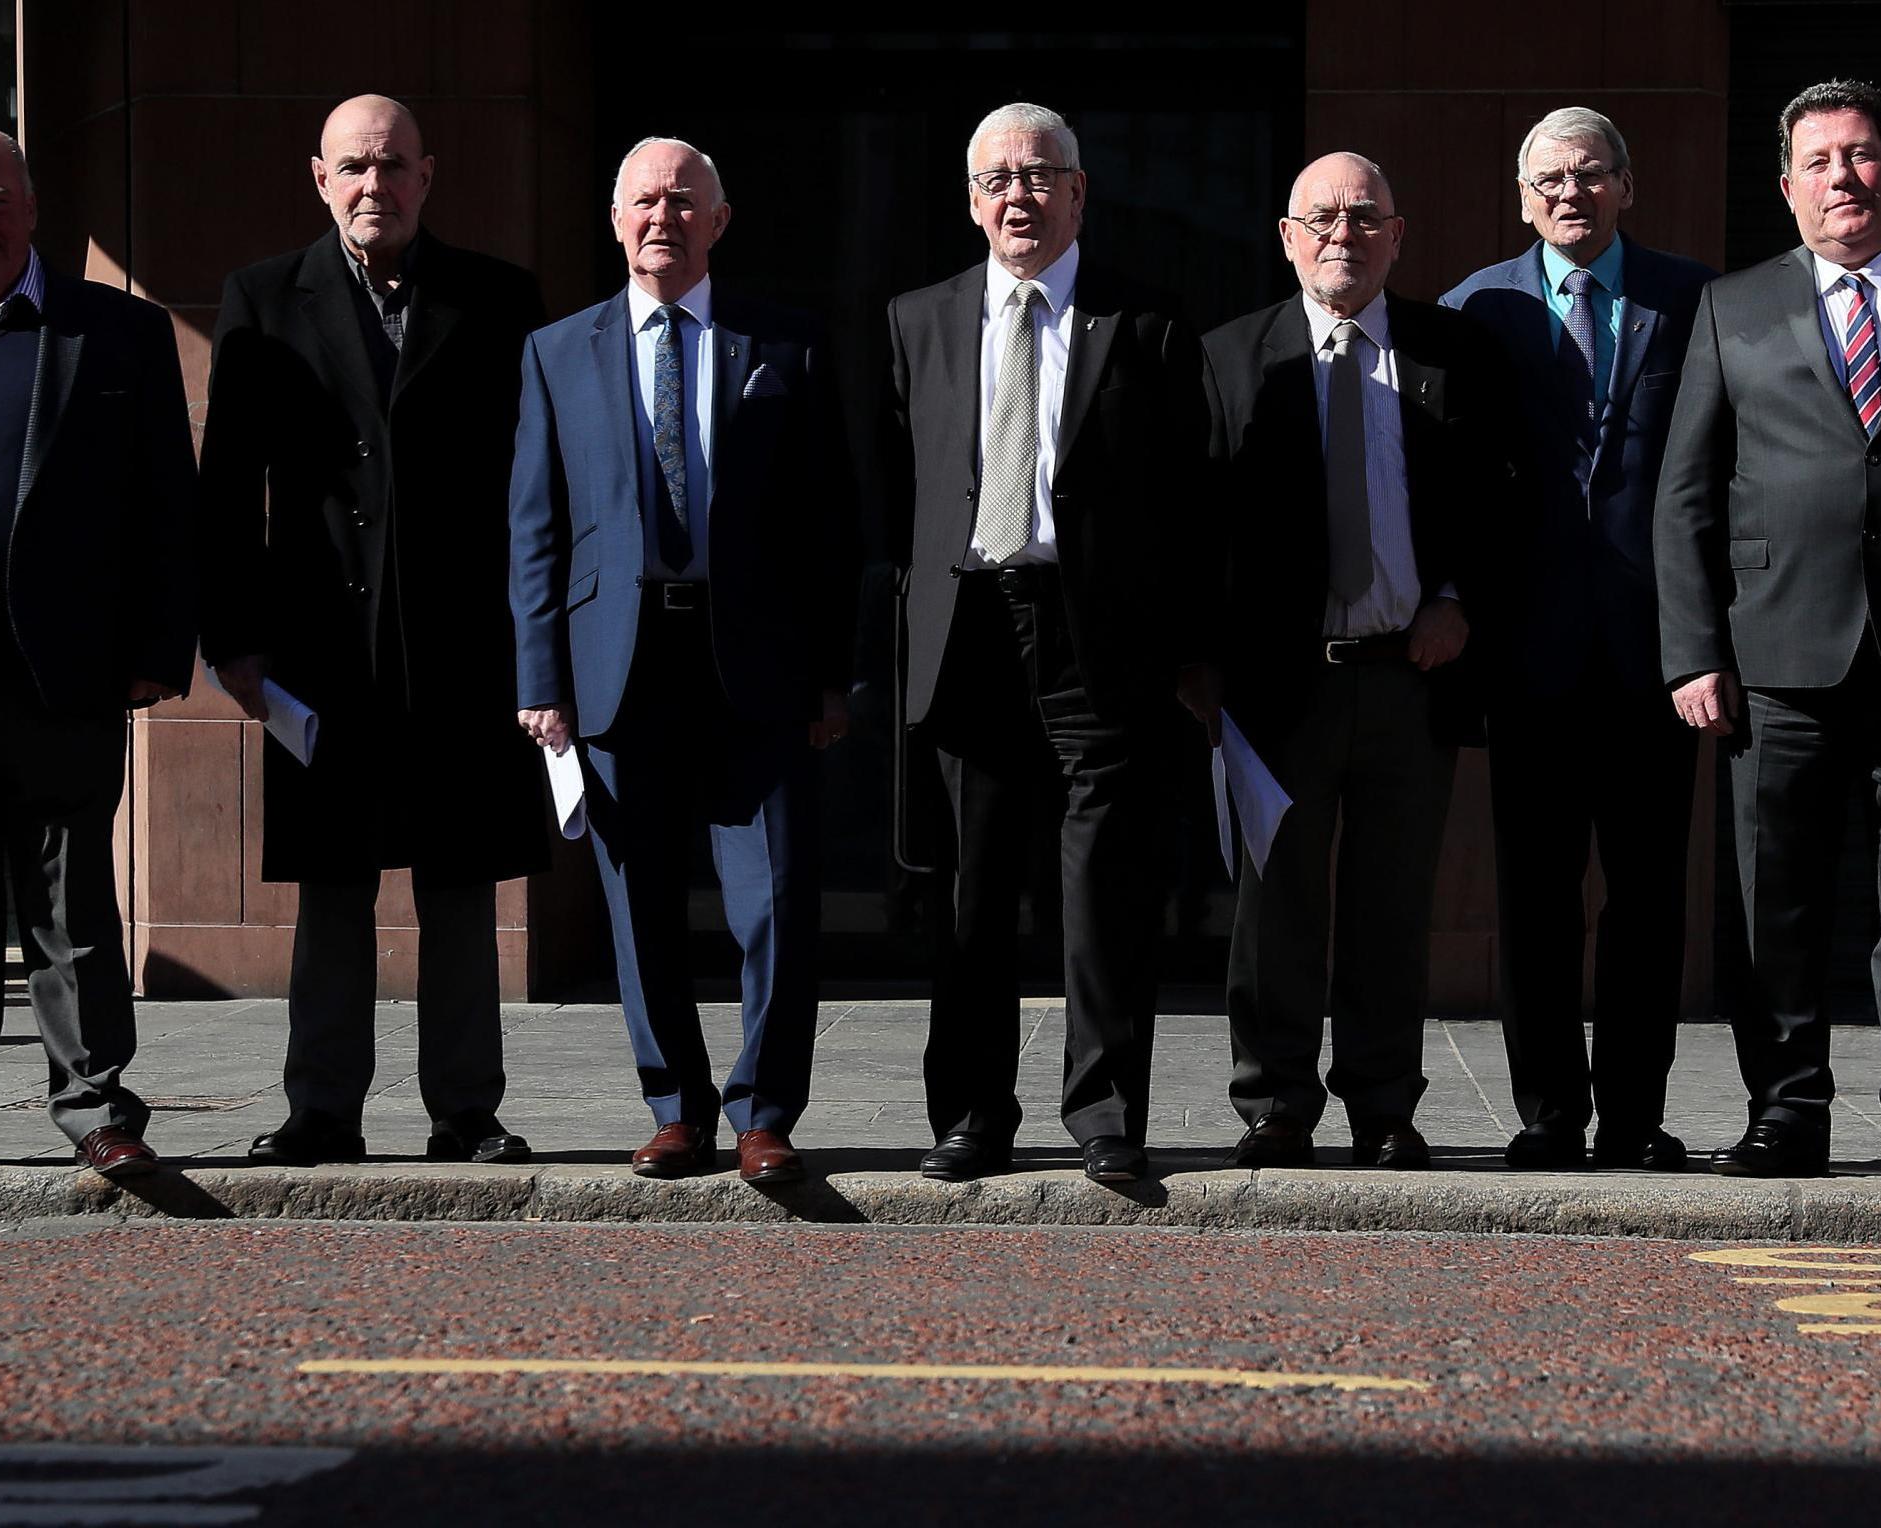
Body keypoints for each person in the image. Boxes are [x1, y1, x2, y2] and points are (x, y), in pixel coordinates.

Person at [198, 94, 545, 1168]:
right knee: (334, 892)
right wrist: (235, 640)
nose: (372, 186)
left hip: (459, 648)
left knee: (458, 887)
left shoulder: (497, 300)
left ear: (427, 176)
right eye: (353, 166)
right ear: (318, 176)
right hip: (320, 651)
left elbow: (536, 490)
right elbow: (225, 492)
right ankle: (321, 1113)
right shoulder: (262, 300)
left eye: (392, 166)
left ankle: (467, 1113)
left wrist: (537, 649)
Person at [507, 137, 855, 1186]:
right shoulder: (557, 351)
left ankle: (763, 1113)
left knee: (778, 895)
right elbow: (536, 526)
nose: (664, 215)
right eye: (646, 200)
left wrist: (835, 671)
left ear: (719, 219)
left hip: (757, 662)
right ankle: (676, 1108)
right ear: (616, 221)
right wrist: (539, 679)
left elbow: (831, 522)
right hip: (617, 661)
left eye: (684, 200)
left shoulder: (784, 346)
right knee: (638, 899)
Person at [885, 102, 1218, 1185]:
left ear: (1080, 193)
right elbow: (902, 493)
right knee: (973, 890)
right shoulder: (917, 320)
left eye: (1040, 177)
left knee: (1105, 886)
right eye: (997, 180)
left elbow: (1187, 498)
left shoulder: (1153, 323)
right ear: (971, 201)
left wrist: (1185, 650)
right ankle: (974, 1116)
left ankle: (1106, 1117)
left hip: (1098, 638)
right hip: (970, 628)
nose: (1018, 196)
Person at [0, 126, 195, 1173]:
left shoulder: (116, 332)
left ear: (30, 204)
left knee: (70, 909)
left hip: (65, 673)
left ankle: (95, 1104)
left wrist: (161, 646)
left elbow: (168, 505)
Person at [1205, 152, 1504, 1172]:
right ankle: (1275, 1103)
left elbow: (1496, 507)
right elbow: (1195, 531)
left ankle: (1383, 1105)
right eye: (1322, 217)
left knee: (1389, 906)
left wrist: (1459, 602)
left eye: (1365, 215)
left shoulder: (1452, 353)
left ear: (1397, 234)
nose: (1344, 233)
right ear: (1286, 236)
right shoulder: (1230, 358)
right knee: (1276, 905)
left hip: (1408, 677)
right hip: (1279, 687)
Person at [1655, 78, 1881, 1179]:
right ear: (1786, 188)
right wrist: (1692, 651)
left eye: (1862, 155)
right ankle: (1787, 1113)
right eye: (1818, 163)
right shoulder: (1735, 308)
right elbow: (1687, 495)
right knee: (1780, 900)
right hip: (1774, 655)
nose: (1843, 180)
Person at [1441, 108, 1715, 1172]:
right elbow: (1453, 484)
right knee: (1537, 897)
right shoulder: (1479, 307)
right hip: (1528, 654)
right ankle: (1549, 1112)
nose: (1570, 192)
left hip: (1657, 654)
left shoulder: (1695, 300)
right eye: (1549, 179)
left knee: (1649, 898)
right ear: (1522, 197)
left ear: (1627, 186)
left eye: (1590, 174)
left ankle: (1637, 1117)